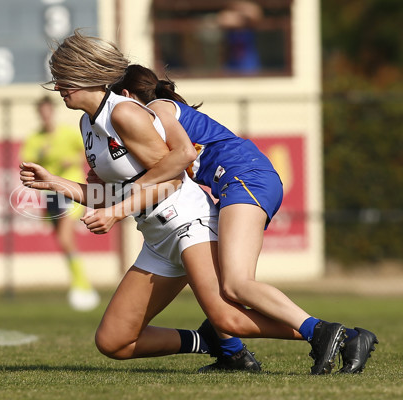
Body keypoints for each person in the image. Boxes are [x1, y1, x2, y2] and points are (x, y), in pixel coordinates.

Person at [20, 30, 361, 375]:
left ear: (87, 75)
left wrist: (116, 212)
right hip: (156, 236)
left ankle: (332, 335)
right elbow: (118, 192)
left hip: (187, 222)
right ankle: (212, 344)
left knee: (229, 312)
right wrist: (55, 183)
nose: (57, 85)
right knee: (113, 340)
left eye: (63, 77)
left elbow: (170, 179)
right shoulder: (87, 126)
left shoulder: (125, 114)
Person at [21, 95, 100, 311]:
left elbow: (85, 150)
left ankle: (82, 285)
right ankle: (80, 283)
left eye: (48, 111)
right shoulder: (35, 139)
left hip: (69, 188)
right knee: (63, 241)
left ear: (52, 112)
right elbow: (26, 161)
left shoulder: (67, 132)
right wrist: (39, 156)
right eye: (42, 112)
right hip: (50, 193)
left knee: (66, 237)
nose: (45, 115)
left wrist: (72, 160)